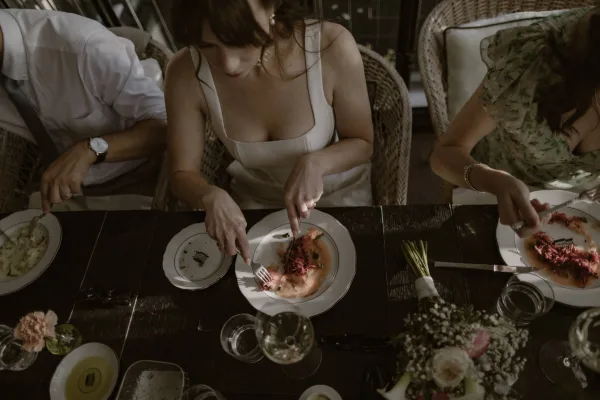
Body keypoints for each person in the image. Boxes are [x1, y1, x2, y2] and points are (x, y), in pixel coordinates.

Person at [166, 0, 374, 261]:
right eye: (207, 46)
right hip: (253, 207)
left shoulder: (330, 46)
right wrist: (208, 195)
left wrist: (317, 163)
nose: (228, 65)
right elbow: (182, 174)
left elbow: (363, 143)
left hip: (339, 197)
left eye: (241, 40)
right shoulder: (184, 72)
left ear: (272, 8)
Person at [430, 6, 600, 232]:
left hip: (586, 216)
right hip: (492, 197)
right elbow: (444, 154)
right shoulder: (535, 58)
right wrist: (494, 181)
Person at [0, 8, 167, 212]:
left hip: (143, 175)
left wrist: (90, 150)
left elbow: (164, 127)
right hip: (67, 189)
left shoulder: (81, 47)